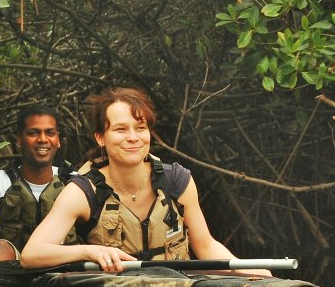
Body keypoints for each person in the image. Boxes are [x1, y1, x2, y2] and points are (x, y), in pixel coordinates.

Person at [21, 87, 270, 275]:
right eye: (120, 130)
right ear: (100, 138)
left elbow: (205, 246)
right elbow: (32, 254)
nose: (133, 138)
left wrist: (254, 274)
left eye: (140, 128)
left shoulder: (176, 181)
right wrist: (90, 251)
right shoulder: (83, 191)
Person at [0, 104, 77, 262]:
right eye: (33, 133)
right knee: (1, 247)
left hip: (63, 267)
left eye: (50, 133)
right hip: (11, 269)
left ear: (58, 140)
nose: (42, 139)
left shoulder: (75, 182)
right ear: (19, 140)